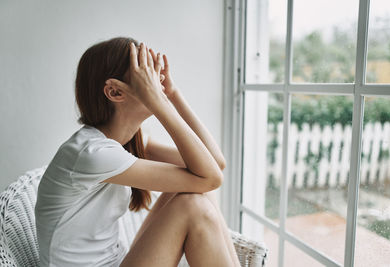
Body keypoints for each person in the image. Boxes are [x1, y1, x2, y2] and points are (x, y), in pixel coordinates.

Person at [34, 37, 240, 267]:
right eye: (146, 75)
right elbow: (210, 178)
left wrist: (171, 94)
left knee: (197, 193)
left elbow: (213, 165)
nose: (156, 79)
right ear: (115, 92)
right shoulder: (92, 153)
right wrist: (159, 103)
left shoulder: (123, 142)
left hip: (116, 261)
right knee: (193, 205)